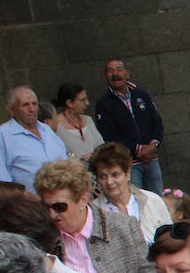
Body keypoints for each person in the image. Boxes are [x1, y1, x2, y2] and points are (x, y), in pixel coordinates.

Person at [33, 159, 158, 273]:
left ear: (83, 198)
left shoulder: (122, 226)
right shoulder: (45, 239)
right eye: (46, 206)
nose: (52, 214)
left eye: (60, 206)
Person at [93, 60, 164, 194]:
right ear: (105, 76)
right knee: (136, 202)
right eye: (110, 70)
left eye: (119, 69)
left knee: (157, 199)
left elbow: (157, 122)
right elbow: (109, 135)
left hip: (151, 159)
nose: (115, 74)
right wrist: (138, 149)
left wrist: (153, 145)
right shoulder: (103, 104)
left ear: (127, 73)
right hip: (129, 164)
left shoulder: (142, 94)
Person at [88, 142, 172, 243]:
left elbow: (171, 239)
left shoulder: (152, 200)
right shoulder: (93, 212)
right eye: (102, 176)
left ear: (127, 172)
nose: (109, 182)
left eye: (115, 175)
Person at [0, 87, 68, 192]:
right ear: (11, 110)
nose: (32, 109)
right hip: (29, 204)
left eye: (34, 104)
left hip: (61, 201)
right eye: (25, 105)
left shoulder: (47, 130)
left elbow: (66, 162)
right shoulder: (2, 136)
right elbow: (0, 181)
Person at [50, 83, 105, 160]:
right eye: (82, 100)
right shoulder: (56, 126)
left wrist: (94, 156)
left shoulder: (88, 120)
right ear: (69, 103)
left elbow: (101, 147)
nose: (87, 103)